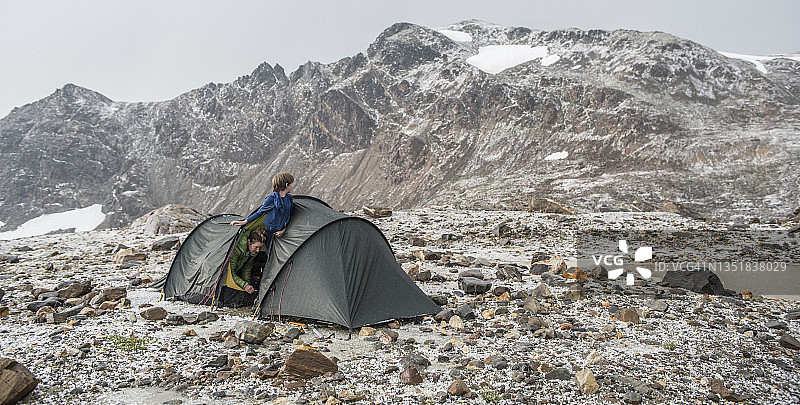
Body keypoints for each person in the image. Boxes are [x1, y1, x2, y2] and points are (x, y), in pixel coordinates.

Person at [230, 172, 294, 240]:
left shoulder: (289, 198)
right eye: (291, 184)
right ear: (286, 185)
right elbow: (259, 212)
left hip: (284, 232)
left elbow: (289, 216)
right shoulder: (271, 199)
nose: (292, 186)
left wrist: (284, 230)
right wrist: (245, 221)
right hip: (270, 233)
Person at [219, 227, 268, 307]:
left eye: (260, 248)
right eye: (256, 247)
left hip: (236, 272)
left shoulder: (251, 252)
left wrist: (247, 285)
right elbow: (230, 272)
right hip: (221, 276)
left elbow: (247, 268)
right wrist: (244, 285)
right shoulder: (236, 249)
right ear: (248, 242)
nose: (258, 250)